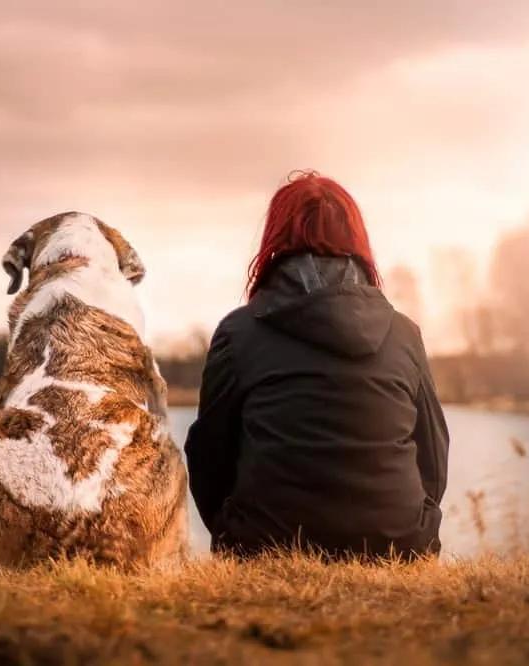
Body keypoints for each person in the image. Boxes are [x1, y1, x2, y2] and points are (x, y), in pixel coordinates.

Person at [184, 170, 449, 560]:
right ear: (357, 240)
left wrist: (231, 530)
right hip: (399, 546)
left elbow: (208, 456)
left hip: (266, 546)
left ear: (275, 239)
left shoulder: (238, 334)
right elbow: (434, 453)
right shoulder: (404, 334)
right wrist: (415, 524)